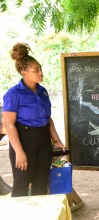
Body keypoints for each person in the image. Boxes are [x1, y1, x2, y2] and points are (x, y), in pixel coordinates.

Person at [2, 42, 65, 197]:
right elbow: (8, 124)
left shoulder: (43, 91)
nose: (41, 73)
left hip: (43, 140)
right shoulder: (14, 93)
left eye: (40, 69)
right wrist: (19, 152)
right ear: (24, 72)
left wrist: (56, 140)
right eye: (36, 70)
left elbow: (47, 119)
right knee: (21, 185)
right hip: (24, 141)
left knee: (41, 183)